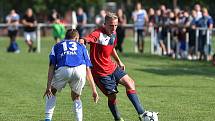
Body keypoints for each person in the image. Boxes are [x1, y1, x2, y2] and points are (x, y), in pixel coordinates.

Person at [81, 12, 152, 121]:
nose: (114, 28)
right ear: (104, 24)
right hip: (100, 72)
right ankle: (118, 118)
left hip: (111, 66)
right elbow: (88, 39)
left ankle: (142, 114)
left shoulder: (114, 34)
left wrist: (119, 61)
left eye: (115, 25)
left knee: (130, 83)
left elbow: (112, 47)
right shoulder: (98, 33)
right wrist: (82, 40)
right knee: (112, 96)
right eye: (111, 25)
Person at [43, 29, 99, 121]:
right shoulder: (82, 47)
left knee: (52, 92)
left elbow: (51, 66)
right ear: (76, 38)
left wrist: (48, 86)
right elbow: (88, 69)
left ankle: (48, 119)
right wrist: (94, 90)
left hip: (64, 69)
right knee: (76, 96)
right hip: (80, 71)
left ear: (65, 37)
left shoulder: (57, 45)